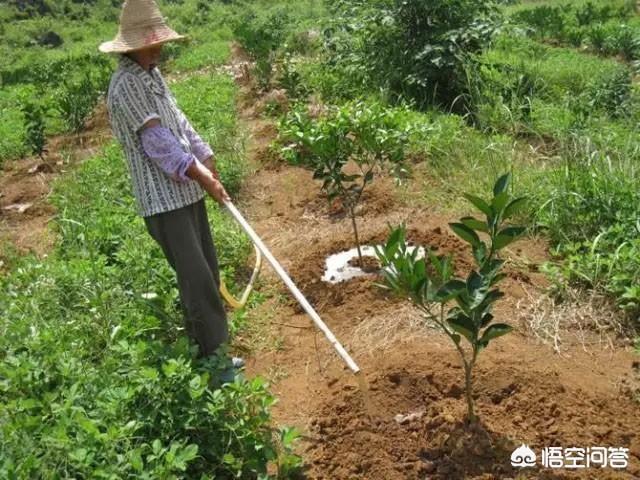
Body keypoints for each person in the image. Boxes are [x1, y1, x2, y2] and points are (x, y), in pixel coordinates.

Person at [99, 0, 242, 376]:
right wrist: (201, 175)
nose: (159, 46)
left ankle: (209, 353)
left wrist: (204, 155)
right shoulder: (126, 84)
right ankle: (214, 364)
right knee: (197, 283)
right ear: (132, 45)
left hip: (186, 193)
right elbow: (159, 142)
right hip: (164, 203)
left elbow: (177, 119)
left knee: (207, 274)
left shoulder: (151, 73)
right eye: (151, 41)